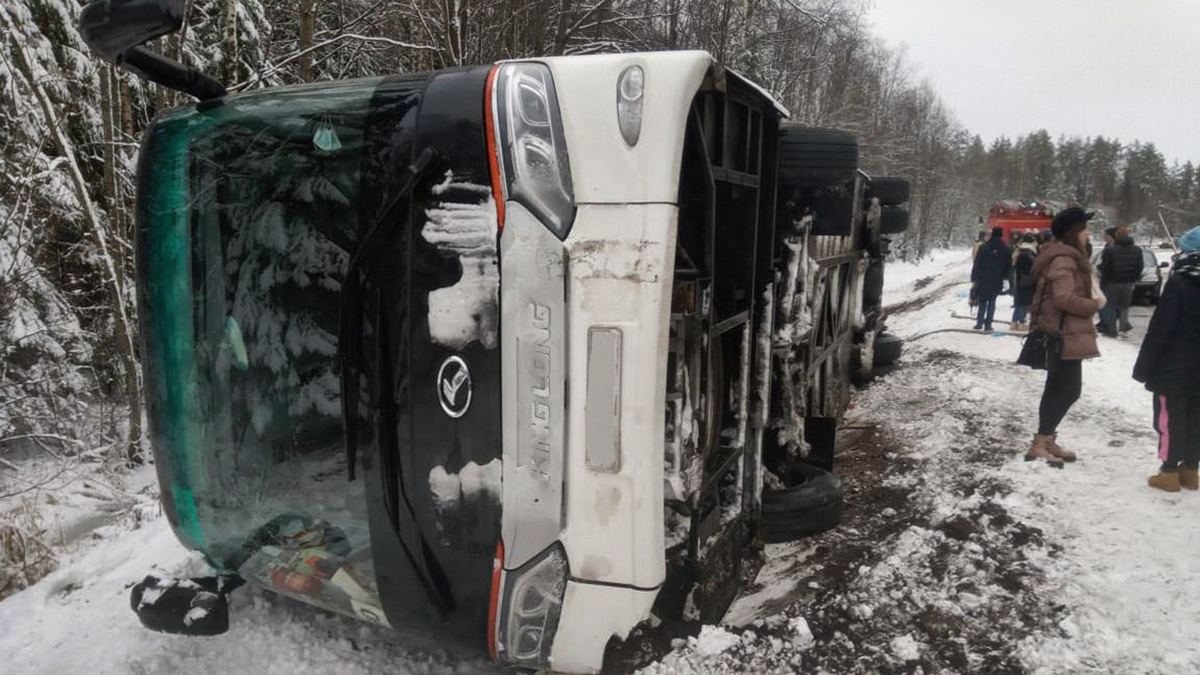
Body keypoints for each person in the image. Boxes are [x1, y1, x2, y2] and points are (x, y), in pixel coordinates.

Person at [1024, 207, 1104, 465]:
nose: (1088, 232)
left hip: (1064, 333)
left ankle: (1045, 439)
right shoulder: (1064, 260)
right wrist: (1094, 305)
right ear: (1074, 231)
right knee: (1068, 389)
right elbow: (1064, 298)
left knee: (1060, 388)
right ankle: (1041, 442)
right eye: (1084, 228)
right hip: (1063, 334)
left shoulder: (1066, 257)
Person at [1134, 226, 1200, 492]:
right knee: (1196, 418)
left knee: (1169, 418)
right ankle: (1191, 470)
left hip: (1173, 366)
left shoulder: (1181, 282)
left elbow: (1161, 328)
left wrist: (1144, 367)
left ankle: (1169, 471)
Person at [1097, 226, 1144, 336]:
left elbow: (1105, 267)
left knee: (1111, 306)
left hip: (1113, 282)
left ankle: (1112, 330)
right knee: (1124, 306)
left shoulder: (1111, 250)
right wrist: (1134, 278)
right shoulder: (1137, 250)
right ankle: (1123, 328)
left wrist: (1105, 280)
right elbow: (1140, 266)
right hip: (1128, 282)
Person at [970, 227, 1011, 331]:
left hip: (983, 278)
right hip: (997, 280)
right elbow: (1008, 266)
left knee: (982, 301)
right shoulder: (1006, 249)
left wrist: (974, 277)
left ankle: (979, 323)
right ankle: (988, 324)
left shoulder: (983, 247)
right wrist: (1006, 279)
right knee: (992, 302)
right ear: (1001, 234)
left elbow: (977, 263)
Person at [1011, 234, 1038, 331]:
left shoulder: (1020, 252)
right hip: (1026, 282)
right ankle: (1021, 323)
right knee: (1024, 303)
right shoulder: (1028, 254)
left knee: (1019, 303)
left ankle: (1014, 322)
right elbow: (1034, 267)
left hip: (1020, 281)